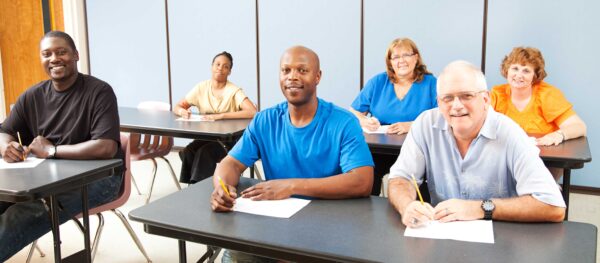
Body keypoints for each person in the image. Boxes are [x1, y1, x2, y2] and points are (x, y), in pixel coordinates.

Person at [211, 46, 374, 262]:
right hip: (276, 225)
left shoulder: (344, 122)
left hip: (330, 228)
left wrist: (291, 186)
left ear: (318, 77)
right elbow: (230, 163)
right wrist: (222, 188)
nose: (292, 77)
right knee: (234, 255)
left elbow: (362, 181)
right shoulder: (264, 120)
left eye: (302, 70)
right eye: (286, 70)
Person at [387, 61, 565, 228]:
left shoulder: (510, 133)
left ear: (486, 100)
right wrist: (407, 206)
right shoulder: (425, 124)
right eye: (447, 98)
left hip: (501, 239)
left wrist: (479, 208)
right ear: (439, 102)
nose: (456, 106)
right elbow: (400, 179)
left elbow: (553, 206)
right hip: (442, 235)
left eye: (466, 96)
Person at [0, 31, 123, 261]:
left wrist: (52, 151)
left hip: (100, 179)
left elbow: (106, 147)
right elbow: (3, 131)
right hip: (47, 177)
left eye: (61, 52)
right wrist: (5, 146)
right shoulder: (33, 95)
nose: (54, 58)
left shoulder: (99, 91)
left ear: (76, 55)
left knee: (21, 214)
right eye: (47, 54)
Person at [349, 38, 437, 196]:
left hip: (418, 149)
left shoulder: (431, 83)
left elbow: (442, 116)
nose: (401, 61)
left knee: (418, 187)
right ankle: (367, 213)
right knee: (366, 171)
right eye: (396, 57)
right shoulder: (378, 82)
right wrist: (365, 121)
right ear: (390, 62)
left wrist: (412, 125)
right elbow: (352, 112)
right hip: (380, 149)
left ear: (416, 58)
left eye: (406, 55)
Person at [491, 47, 586, 181]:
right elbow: (480, 123)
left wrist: (558, 135)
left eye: (526, 70)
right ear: (507, 70)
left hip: (545, 163)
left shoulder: (546, 94)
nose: (519, 75)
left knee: (534, 194)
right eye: (515, 68)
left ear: (535, 75)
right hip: (509, 158)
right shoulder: (497, 94)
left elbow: (579, 126)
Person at [173, 51, 257, 184]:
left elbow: (252, 112)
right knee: (189, 151)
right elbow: (177, 106)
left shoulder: (233, 90)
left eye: (225, 66)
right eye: (217, 64)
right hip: (207, 137)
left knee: (203, 153)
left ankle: (198, 188)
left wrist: (221, 116)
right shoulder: (201, 87)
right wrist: (182, 111)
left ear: (229, 71)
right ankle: (191, 187)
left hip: (229, 141)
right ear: (212, 66)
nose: (220, 68)